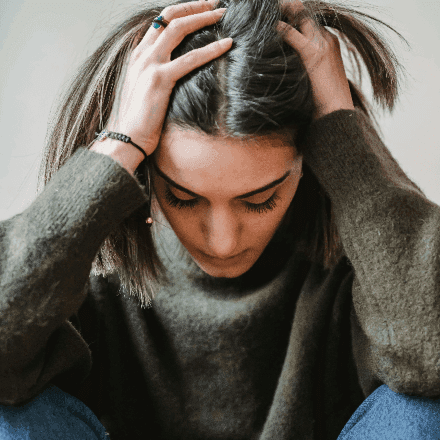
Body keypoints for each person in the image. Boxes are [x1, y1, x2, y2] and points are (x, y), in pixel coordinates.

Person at [0, 0, 439, 438]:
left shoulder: (372, 279)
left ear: (308, 162)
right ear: (147, 168)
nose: (223, 242)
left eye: (260, 199)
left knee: (425, 410)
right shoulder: (81, 273)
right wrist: (119, 143)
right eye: (184, 197)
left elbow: (431, 353)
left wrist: (342, 130)